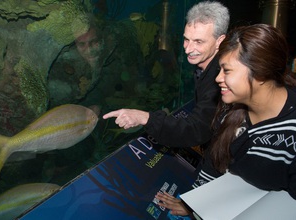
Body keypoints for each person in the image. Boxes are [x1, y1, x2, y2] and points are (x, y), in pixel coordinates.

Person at [155, 24, 296, 216]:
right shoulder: (230, 110)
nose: (218, 78)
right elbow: (215, 161)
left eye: (227, 71)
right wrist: (193, 204)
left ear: (261, 73)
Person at [103, 1, 230, 149]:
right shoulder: (206, 68)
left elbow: (197, 130)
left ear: (219, 41)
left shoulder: (221, 78)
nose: (188, 49)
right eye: (186, 39)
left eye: (198, 42)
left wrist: (145, 118)